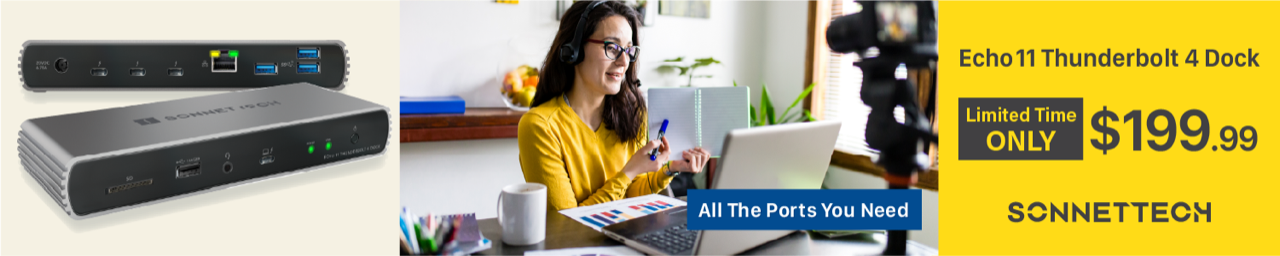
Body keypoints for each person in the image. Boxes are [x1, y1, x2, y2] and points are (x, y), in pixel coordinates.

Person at [518, 0, 711, 211]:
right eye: (612, 47)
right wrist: (628, 172)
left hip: (625, 238)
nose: (623, 62)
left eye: (628, 50)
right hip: (577, 243)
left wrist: (669, 168)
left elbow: (632, 194)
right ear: (575, 49)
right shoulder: (540, 126)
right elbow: (567, 223)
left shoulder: (631, 114)